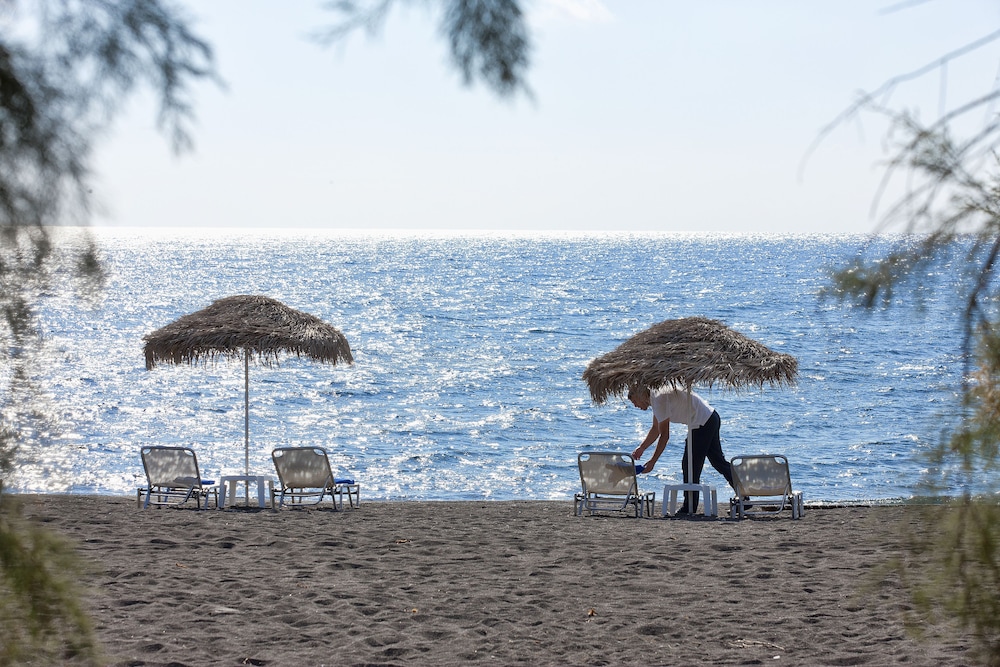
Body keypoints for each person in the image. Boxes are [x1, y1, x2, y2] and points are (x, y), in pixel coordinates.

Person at [628, 386, 735, 515]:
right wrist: (642, 447)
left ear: (640, 395)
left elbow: (664, 436)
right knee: (718, 462)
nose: (635, 406)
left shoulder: (658, 399)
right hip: (710, 417)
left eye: (634, 401)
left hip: (702, 422)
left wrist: (652, 462)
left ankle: (689, 507)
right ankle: (743, 495)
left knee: (689, 465)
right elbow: (656, 428)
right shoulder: (656, 398)